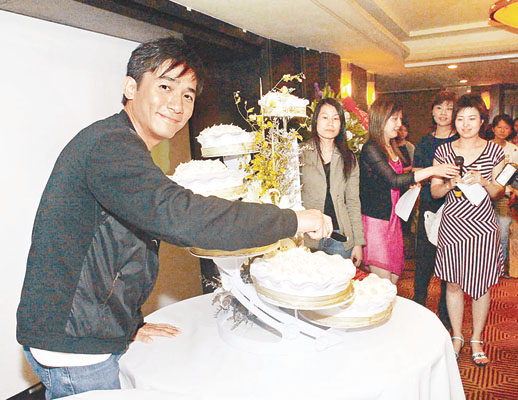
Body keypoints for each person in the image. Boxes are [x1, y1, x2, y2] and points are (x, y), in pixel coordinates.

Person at [16, 37, 332, 399]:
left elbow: (105, 250)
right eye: (165, 87)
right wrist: (292, 220)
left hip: (88, 329)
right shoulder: (110, 146)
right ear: (131, 88)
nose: (177, 104)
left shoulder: (122, 144)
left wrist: (129, 325)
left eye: (188, 95)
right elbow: (184, 217)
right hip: (75, 344)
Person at [431, 94, 505, 367]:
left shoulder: (495, 151)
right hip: (453, 225)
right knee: (453, 283)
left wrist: (484, 181)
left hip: (483, 226)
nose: (465, 124)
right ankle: (457, 336)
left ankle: (476, 339)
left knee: (480, 285)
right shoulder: (444, 151)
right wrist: (450, 184)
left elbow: (499, 192)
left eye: (472, 118)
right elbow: (435, 191)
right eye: (460, 118)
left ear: (482, 120)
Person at [359, 99, 459, 284]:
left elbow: (393, 180)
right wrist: (432, 170)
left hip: (393, 218)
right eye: (394, 119)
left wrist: (410, 184)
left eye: (400, 119)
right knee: (384, 284)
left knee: (394, 277)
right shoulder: (371, 148)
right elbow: (393, 180)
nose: (399, 124)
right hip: (377, 221)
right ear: (380, 119)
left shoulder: (391, 145)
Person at [413, 90, 459, 329]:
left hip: (453, 206)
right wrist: (432, 175)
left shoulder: (459, 140)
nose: (443, 113)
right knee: (424, 261)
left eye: (449, 108)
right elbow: (416, 171)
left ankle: (445, 316)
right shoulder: (424, 141)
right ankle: (418, 308)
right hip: (428, 206)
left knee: (449, 263)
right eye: (439, 107)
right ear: (432, 111)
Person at [301, 98, 365, 265]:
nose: (330, 123)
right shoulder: (301, 153)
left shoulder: (348, 158)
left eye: (335, 118)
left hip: (339, 237)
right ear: (315, 121)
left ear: (341, 123)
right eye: (325, 117)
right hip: (307, 235)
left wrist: (358, 242)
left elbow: (353, 202)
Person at [490, 114, 518, 277]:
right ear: (493, 128)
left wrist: (514, 189)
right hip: (485, 194)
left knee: (503, 230)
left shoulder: (513, 150)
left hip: (504, 195)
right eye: (499, 127)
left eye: (506, 128)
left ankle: (500, 267)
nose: (502, 130)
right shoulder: (485, 146)